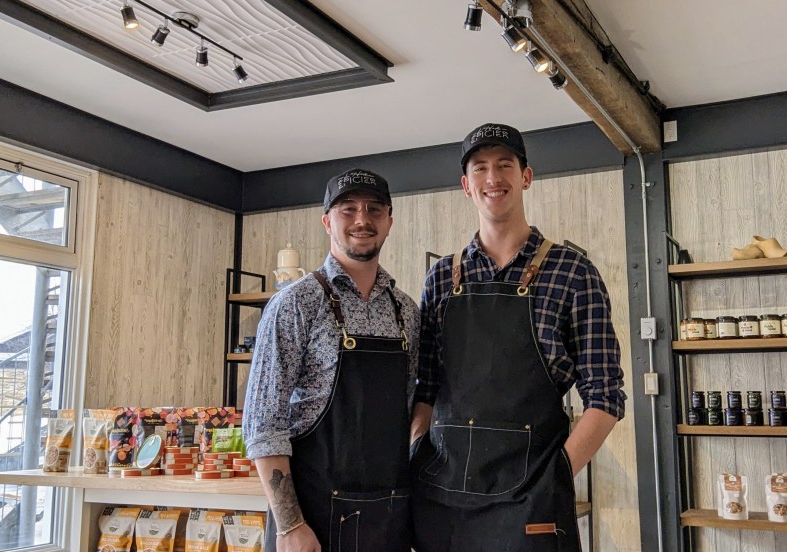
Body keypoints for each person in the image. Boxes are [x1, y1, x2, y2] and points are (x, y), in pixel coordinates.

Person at [409, 123, 627, 551]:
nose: (493, 178)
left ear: (525, 177)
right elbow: (426, 387)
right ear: (466, 186)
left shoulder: (573, 273)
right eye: (481, 168)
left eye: (505, 165)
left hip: (533, 507)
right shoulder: (441, 278)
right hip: (442, 502)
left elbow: (606, 396)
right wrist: (419, 451)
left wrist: (557, 476)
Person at [243, 168, 419, 552]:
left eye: (374, 209)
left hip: (389, 520)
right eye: (348, 209)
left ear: (389, 222)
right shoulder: (295, 304)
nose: (362, 220)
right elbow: (263, 423)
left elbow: (412, 412)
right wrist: (290, 525)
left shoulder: (406, 311)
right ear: (327, 221)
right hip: (313, 524)